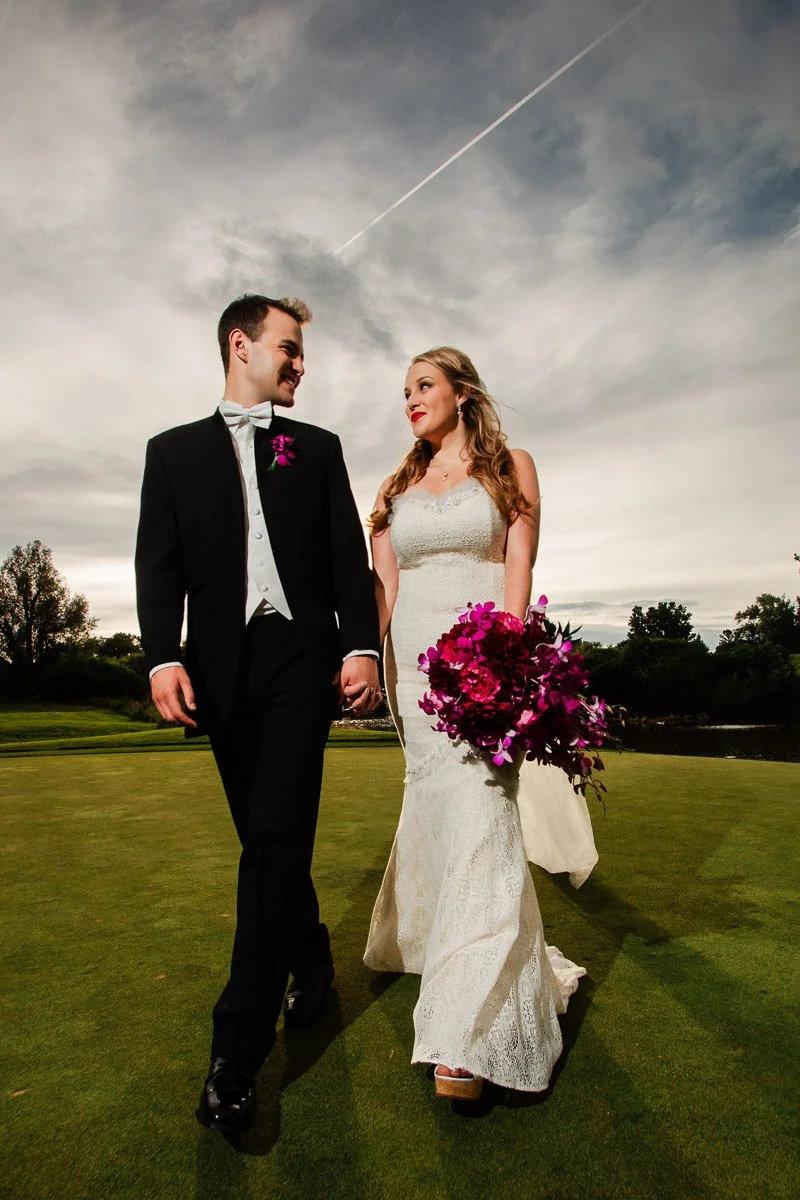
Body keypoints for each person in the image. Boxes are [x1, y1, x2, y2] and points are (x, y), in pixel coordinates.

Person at [135, 293, 381, 1135]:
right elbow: (157, 564)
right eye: (290, 348)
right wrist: (162, 654)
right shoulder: (170, 454)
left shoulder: (315, 450)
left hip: (300, 662)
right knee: (267, 840)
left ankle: (235, 1053)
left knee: (274, 837)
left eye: (303, 353)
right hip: (220, 671)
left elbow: (349, 555)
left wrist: (362, 647)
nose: (301, 364)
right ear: (241, 346)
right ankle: (310, 958)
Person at [364, 346, 594, 1100]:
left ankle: (471, 1029)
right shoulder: (397, 486)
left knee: (484, 817)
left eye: (423, 386)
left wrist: (506, 650)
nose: (410, 400)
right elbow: (385, 587)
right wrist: (365, 660)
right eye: (404, 392)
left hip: (482, 662)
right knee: (443, 818)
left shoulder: (511, 465)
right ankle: (472, 957)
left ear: (461, 393)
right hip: (413, 674)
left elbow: (519, 562)